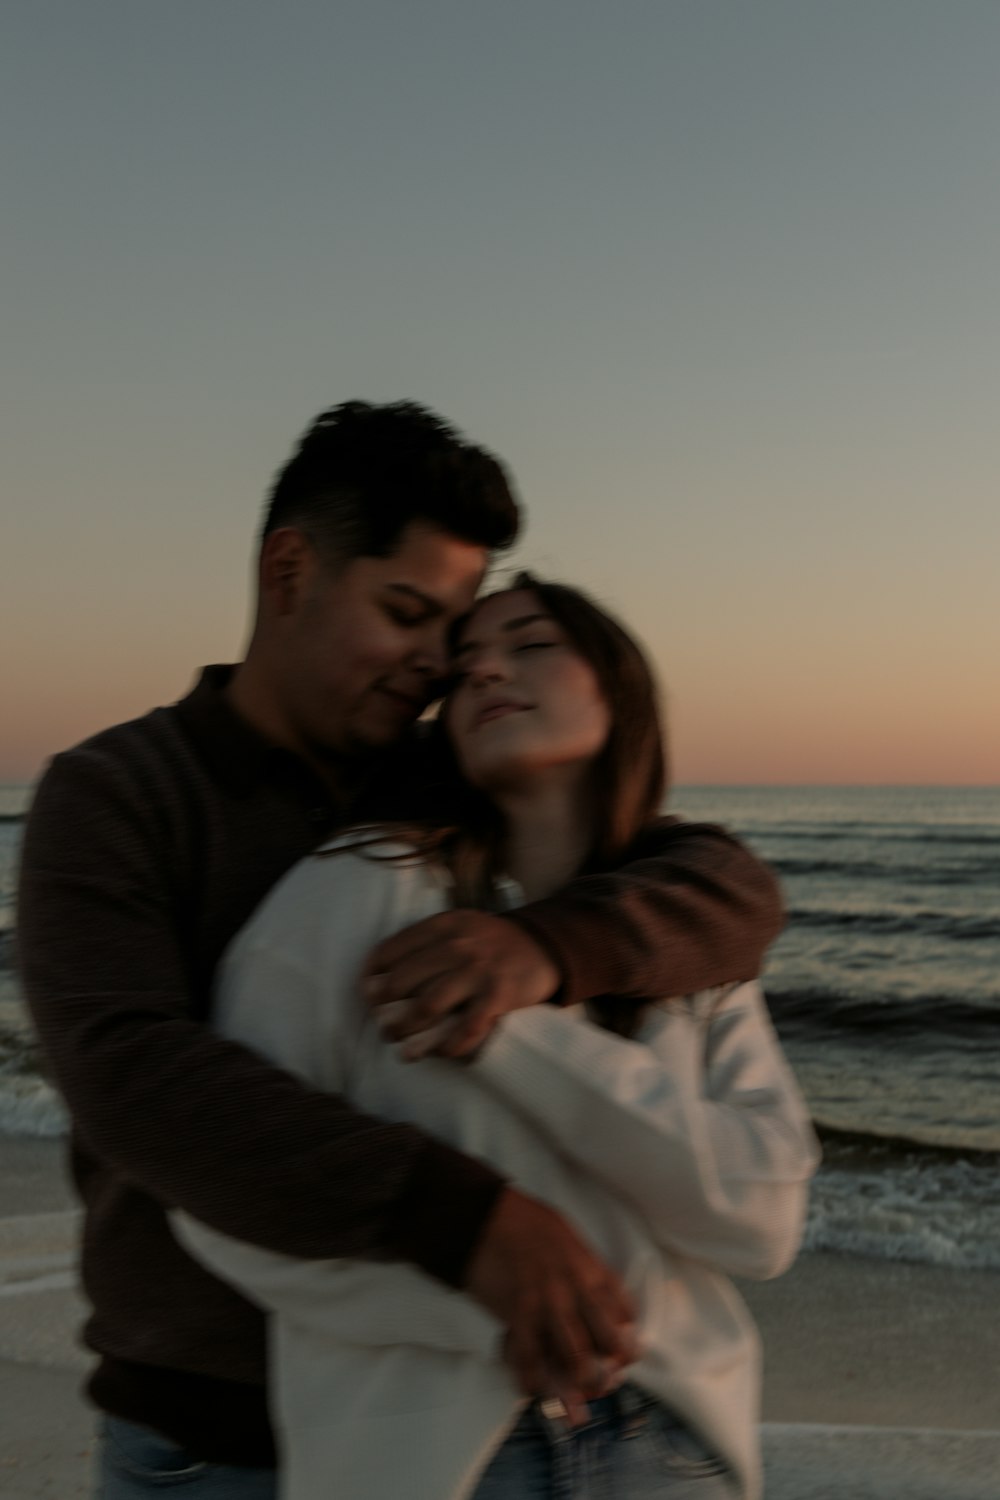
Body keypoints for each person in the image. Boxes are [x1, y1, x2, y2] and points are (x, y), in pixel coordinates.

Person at [18, 403, 785, 1498]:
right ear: (290, 570)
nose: (438, 666)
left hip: (452, 1418)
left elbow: (729, 890)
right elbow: (133, 1077)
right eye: (406, 613)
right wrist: (465, 1221)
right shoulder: (117, 794)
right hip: (207, 1430)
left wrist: (544, 949)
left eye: (456, 631)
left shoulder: (438, 773)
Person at [174, 576, 819, 1500]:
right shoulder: (358, 891)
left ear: (618, 687)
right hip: (425, 1459)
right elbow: (225, 1194)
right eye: (467, 660)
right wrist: (495, 1304)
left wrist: (511, 1029)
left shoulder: (683, 937)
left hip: (667, 1443)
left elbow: (762, 1217)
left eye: (530, 643)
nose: (484, 667)